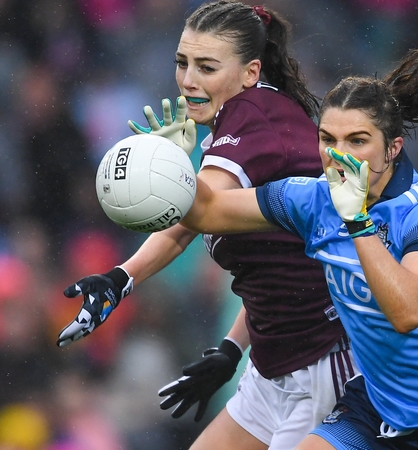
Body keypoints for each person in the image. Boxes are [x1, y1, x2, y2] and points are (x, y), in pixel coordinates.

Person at [178, 41, 418, 449]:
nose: (339, 156)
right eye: (328, 139)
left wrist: (357, 220)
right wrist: (170, 170)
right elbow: (206, 210)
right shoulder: (314, 200)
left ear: (393, 148)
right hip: (379, 409)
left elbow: (408, 311)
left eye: (357, 141)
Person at [56, 1, 356, 449]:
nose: (189, 80)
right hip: (275, 363)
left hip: (326, 362)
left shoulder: (253, 115)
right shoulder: (236, 121)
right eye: (183, 63)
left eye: (207, 67)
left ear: (250, 72)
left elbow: (202, 210)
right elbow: (267, 264)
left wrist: (168, 171)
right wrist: (123, 279)